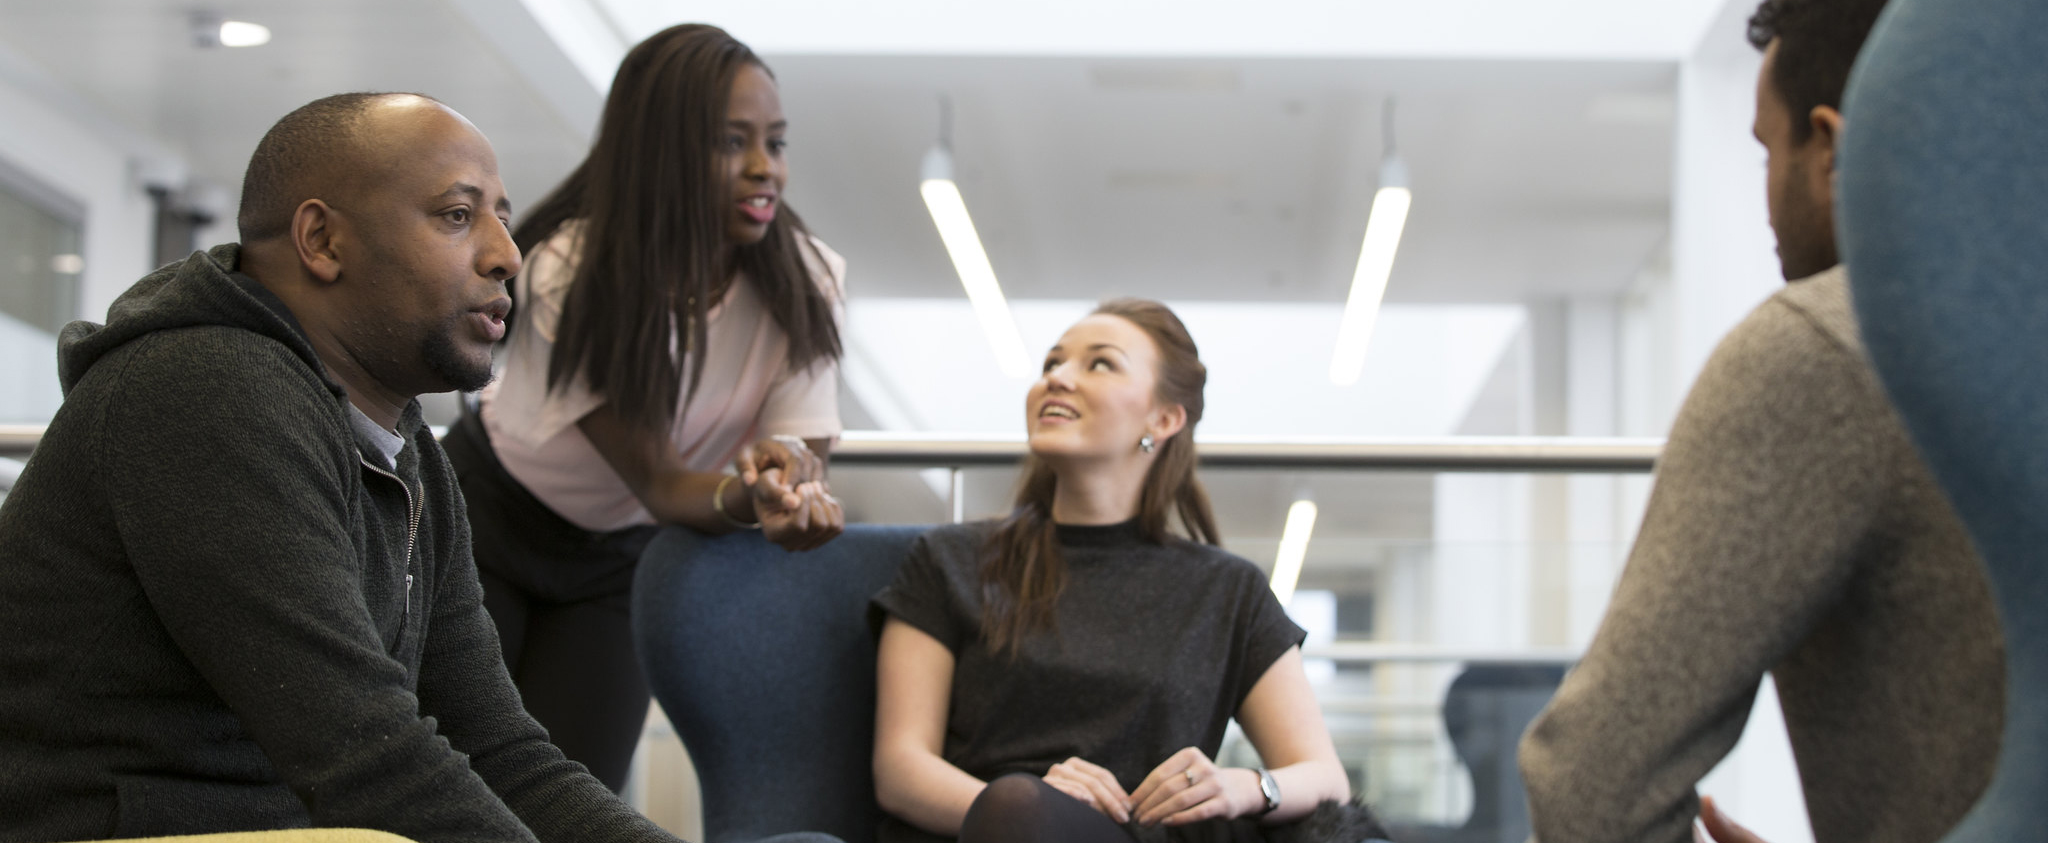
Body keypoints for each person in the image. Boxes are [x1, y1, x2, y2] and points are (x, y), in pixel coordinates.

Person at [0, 93, 699, 843]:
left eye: (499, 214)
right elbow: (368, 757)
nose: (506, 253)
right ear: (322, 239)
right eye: (458, 216)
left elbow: (501, 752)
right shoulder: (205, 389)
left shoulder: (408, 450)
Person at [1515, 1, 2005, 842]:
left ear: (1833, 147)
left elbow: (1590, 787)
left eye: (1767, 151)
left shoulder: (1825, 349)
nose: (1768, 207)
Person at [442, 23, 847, 792]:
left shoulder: (807, 282)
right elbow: (662, 480)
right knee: (453, 787)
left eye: (777, 142)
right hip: (486, 523)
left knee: (569, 797)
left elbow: (793, 463)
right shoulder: (573, 268)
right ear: (661, 149)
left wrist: (783, 486)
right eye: (733, 142)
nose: (766, 169)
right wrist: (747, 492)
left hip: (619, 559)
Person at [869, 300, 1377, 843]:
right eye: (1051, 364)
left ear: (1163, 419)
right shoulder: (948, 559)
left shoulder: (1228, 590)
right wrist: (1023, 813)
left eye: (1100, 364)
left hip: (1146, 838)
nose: (1057, 379)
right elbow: (900, 770)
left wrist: (1244, 787)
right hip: (987, 829)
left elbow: (1324, 777)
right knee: (1018, 803)